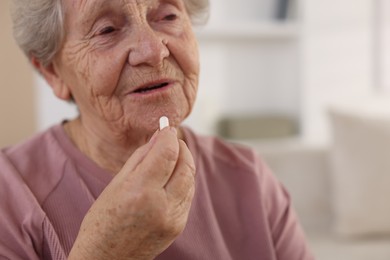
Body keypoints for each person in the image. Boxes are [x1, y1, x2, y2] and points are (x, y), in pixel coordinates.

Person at [0, 0, 314, 259]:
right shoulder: (9, 197)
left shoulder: (248, 178)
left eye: (167, 15)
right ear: (52, 71)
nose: (153, 50)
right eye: (107, 30)